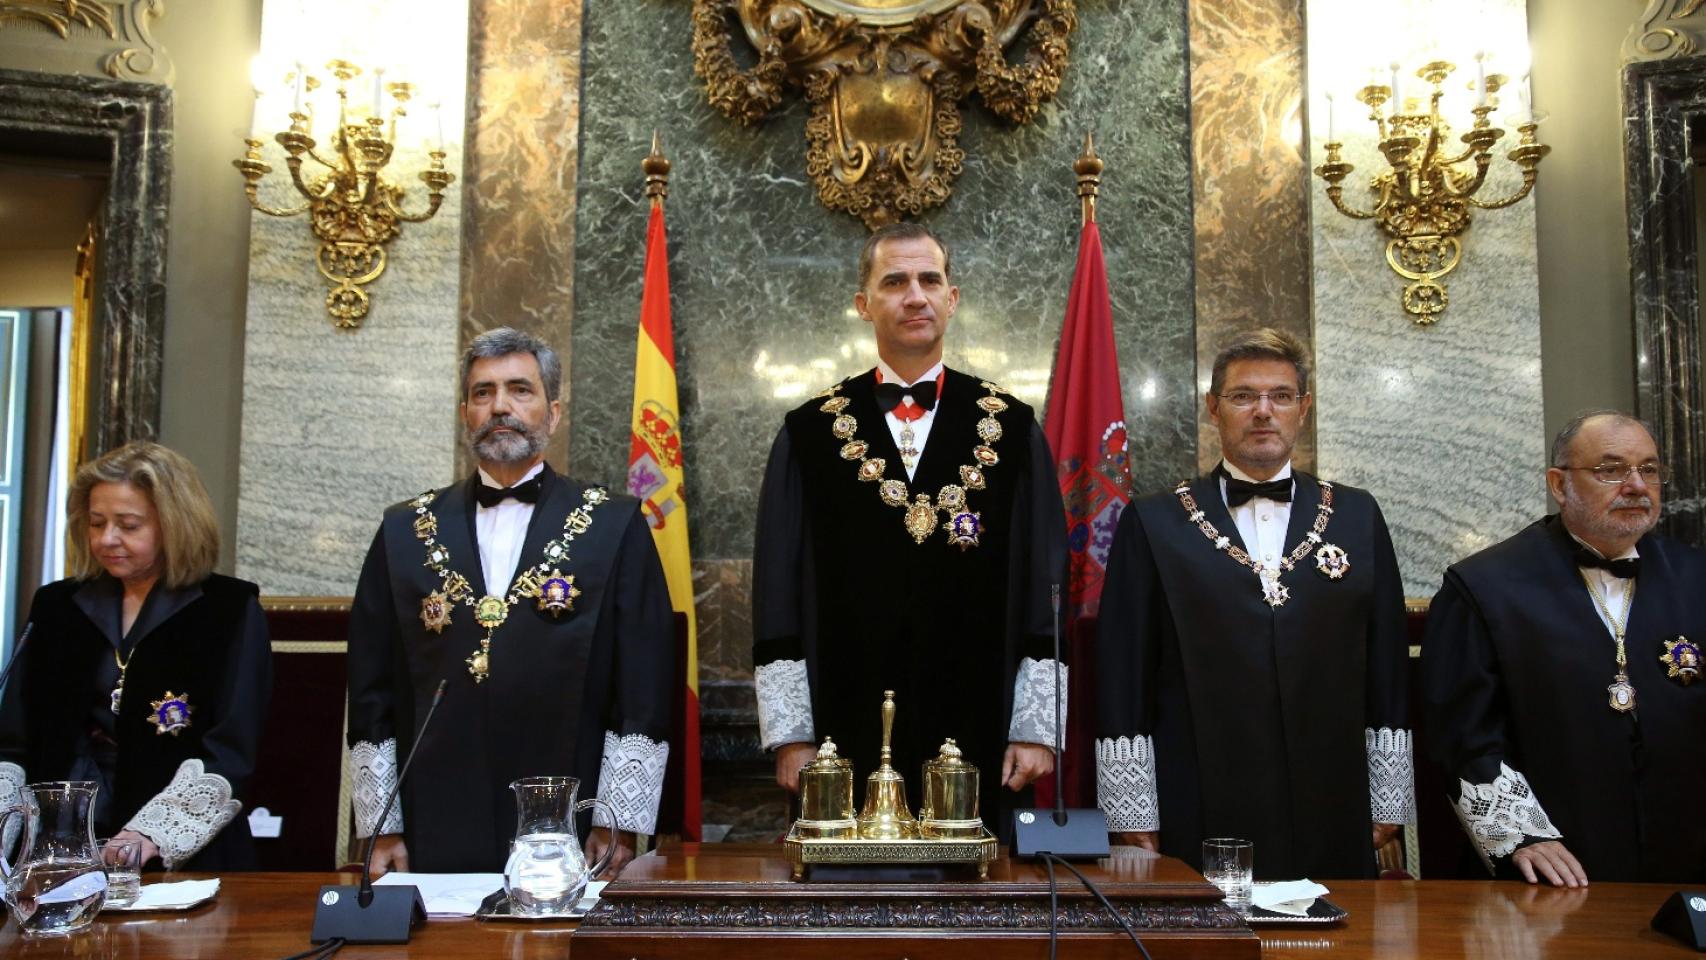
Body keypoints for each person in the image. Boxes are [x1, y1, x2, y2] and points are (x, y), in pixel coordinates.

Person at [752, 223, 1068, 832]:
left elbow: (1045, 584)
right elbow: (776, 593)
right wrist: (789, 735)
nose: (914, 295)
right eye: (894, 281)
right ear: (864, 305)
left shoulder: (1013, 428)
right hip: (838, 734)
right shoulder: (809, 432)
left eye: (930, 280)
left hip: (982, 723)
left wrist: (1037, 728)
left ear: (953, 298)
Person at [347, 327, 673, 876]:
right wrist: (384, 825)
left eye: (520, 390)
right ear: (464, 413)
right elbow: (371, 687)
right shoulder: (403, 529)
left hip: (571, 812)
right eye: (483, 393)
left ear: (553, 412)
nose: (500, 406)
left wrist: (617, 821)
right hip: (433, 811)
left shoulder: (614, 525)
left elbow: (642, 682)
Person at [1094, 328, 1412, 879]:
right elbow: (1124, 673)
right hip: (1197, 795)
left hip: (1332, 800)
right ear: (1214, 408)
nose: (1263, 411)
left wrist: (1388, 804)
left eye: (1281, 396)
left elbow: (1385, 664)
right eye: (1244, 396)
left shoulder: (1358, 516)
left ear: (1303, 409)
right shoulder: (1154, 521)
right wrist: (1129, 811)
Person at [1423, 411, 1706, 885]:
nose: (1636, 485)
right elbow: (1464, 734)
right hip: (1550, 864)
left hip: (1686, 858)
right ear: (1559, 484)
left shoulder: (1696, 577)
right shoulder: (1483, 587)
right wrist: (1525, 836)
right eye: (1610, 470)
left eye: (1649, 469)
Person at [0, 441, 271, 870]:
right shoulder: (56, 605)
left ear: (174, 525)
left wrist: (146, 835)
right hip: (58, 848)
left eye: (128, 525)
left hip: (182, 855)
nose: (108, 539)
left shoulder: (228, 608)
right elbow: (13, 741)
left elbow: (231, 746)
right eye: (96, 523)